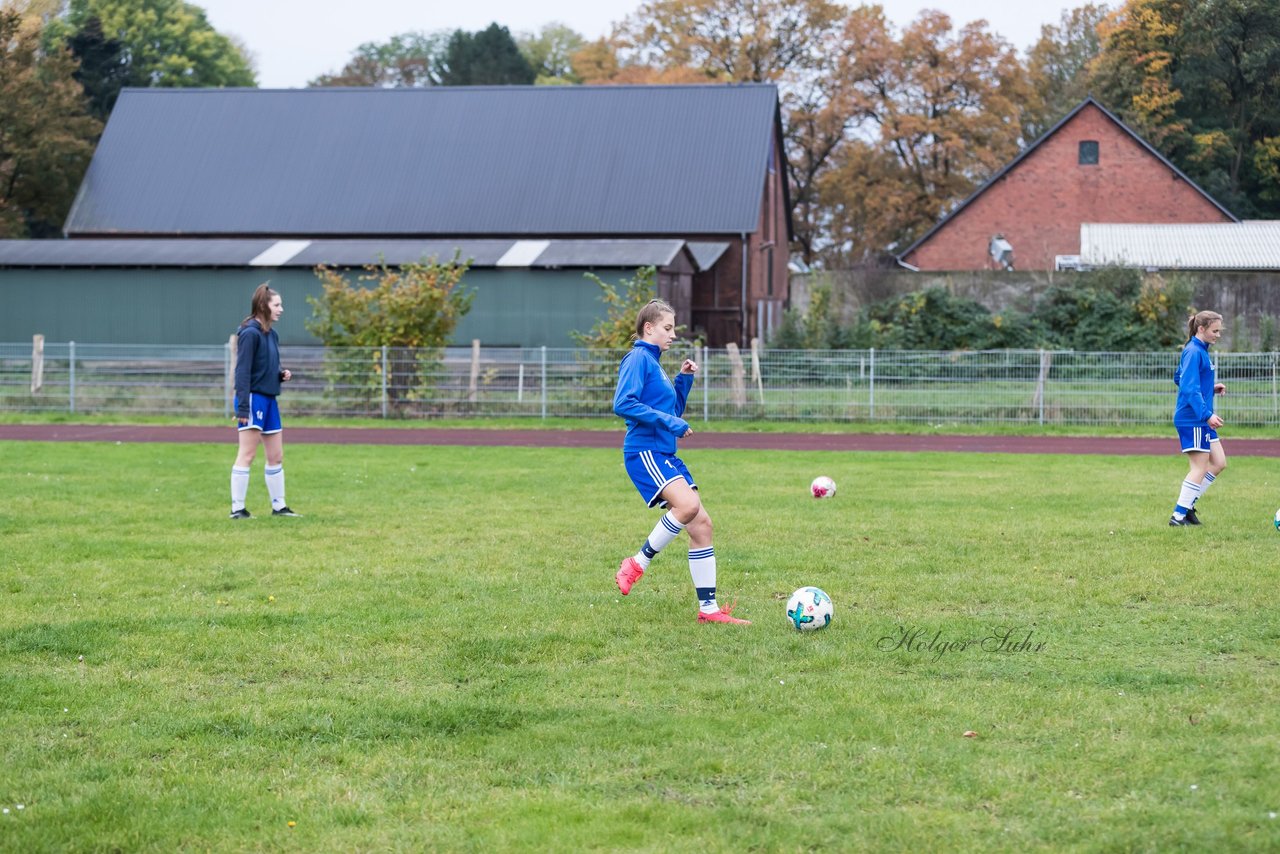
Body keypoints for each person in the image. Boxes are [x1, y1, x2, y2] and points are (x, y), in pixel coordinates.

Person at [612, 299, 749, 624]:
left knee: (702, 526)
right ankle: (636, 563)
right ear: (649, 328)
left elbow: (671, 413)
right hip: (644, 451)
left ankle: (709, 610)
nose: (673, 335)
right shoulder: (638, 359)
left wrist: (683, 381)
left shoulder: (655, 364)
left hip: (664, 452)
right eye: (668, 328)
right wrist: (671, 424)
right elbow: (623, 403)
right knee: (688, 506)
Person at [230, 283, 300, 519]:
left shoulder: (272, 333)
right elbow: (242, 372)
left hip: (270, 399)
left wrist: (280, 375)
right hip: (253, 399)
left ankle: (279, 507)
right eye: (277, 305)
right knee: (247, 454)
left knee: (276, 456)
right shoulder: (249, 333)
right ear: (263, 306)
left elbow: (265, 366)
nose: (281, 309)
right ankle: (237, 509)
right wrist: (242, 405)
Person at [1169, 310, 1227, 526]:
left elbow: (1180, 378)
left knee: (1219, 463)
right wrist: (1207, 414)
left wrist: (1210, 389)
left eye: (1219, 330)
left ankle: (1188, 506)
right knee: (1199, 468)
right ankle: (1178, 516)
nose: (1218, 335)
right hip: (1193, 418)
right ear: (1201, 329)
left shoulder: (1199, 350)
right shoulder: (1194, 351)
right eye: (1215, 330)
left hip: (1200, 417)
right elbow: (1187, 386)